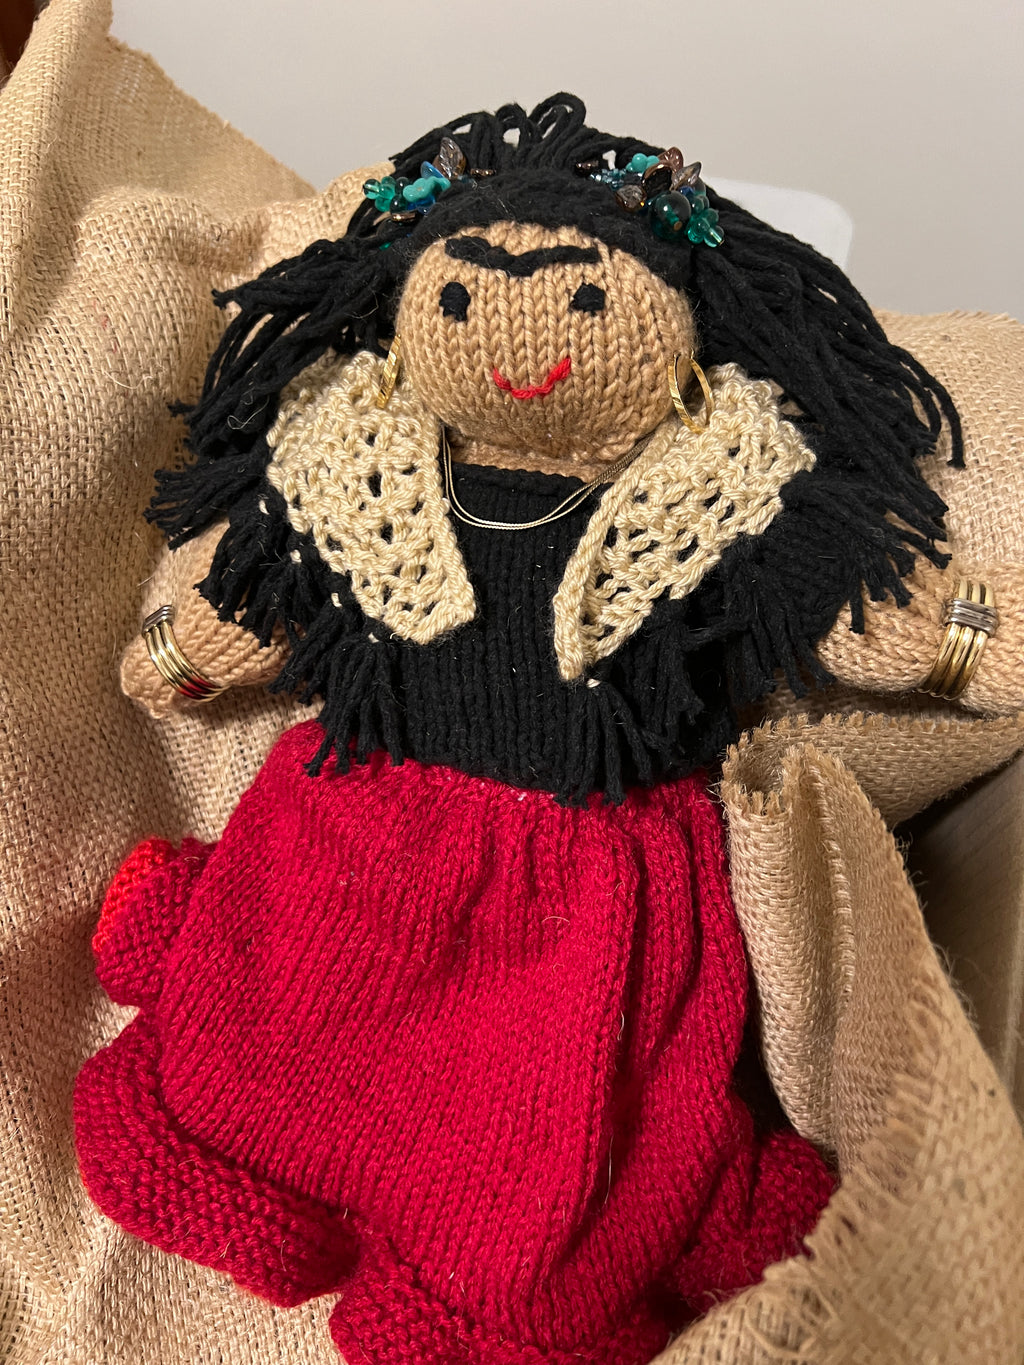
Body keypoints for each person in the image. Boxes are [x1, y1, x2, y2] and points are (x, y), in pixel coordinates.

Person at [73, 94, 981, 1365]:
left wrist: (964, 643)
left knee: (548, 1124)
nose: (524, 348)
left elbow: (849, 609)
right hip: (361, 825)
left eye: (584, 300)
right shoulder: (355, 464)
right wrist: (185, 652)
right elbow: (269, 596)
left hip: (586, 879)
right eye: (460, 300)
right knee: (274, 1016)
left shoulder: (725, 491)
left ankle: (479, 1285)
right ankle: (235, 1140)